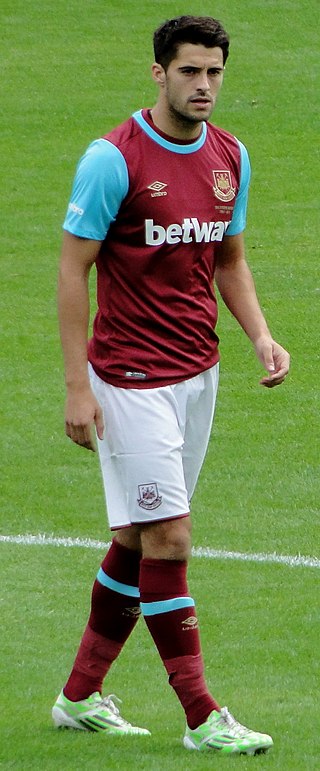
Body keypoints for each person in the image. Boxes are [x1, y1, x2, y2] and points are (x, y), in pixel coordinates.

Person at [53, 15, 290, 754]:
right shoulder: (112, 159)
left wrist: (259, 333)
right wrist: (76, 386)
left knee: (136, 535)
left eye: (215, 72)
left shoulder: (231, 156)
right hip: (128, 378)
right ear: (159, 73)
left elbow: (228, 258)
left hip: (198, 374)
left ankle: (80, 696)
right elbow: (72, 269)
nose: (205, 86)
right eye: (190, 71)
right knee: (172, 535)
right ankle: (201, 714)